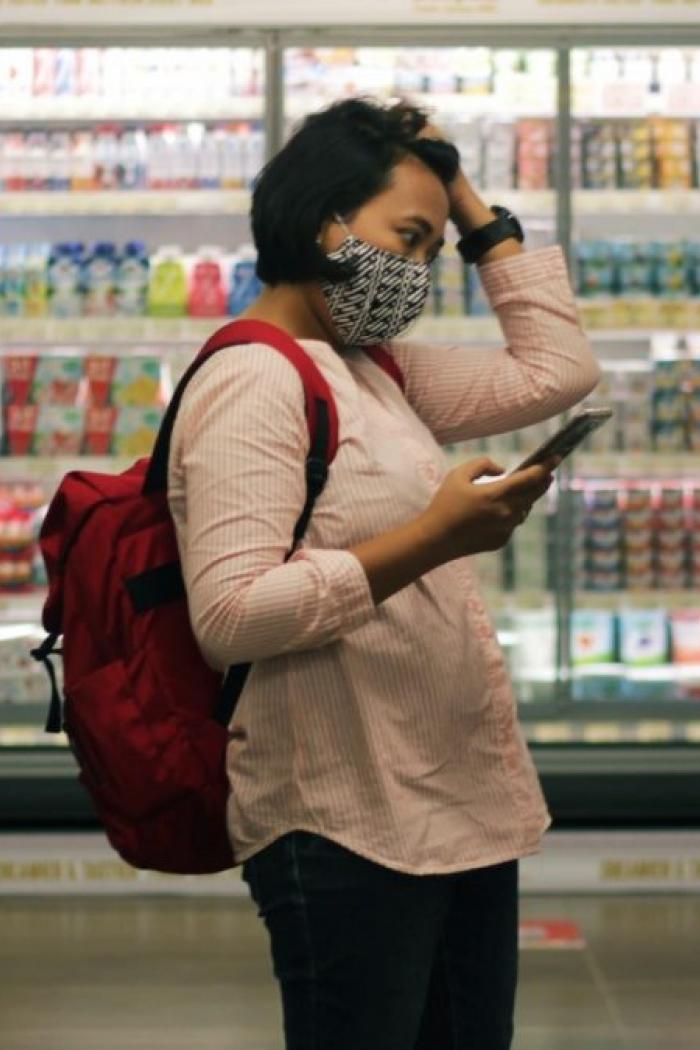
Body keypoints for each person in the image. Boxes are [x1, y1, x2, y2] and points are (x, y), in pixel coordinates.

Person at [168, 99, 601, 1050]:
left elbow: (561, 369)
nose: (416, 273)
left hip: (447, 803)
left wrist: (471, 209)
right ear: (328, 222)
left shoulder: (373, 370)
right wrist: (437, 538)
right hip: (344, 822)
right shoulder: (256, 378)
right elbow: (233, 617)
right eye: (407, 239)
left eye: (433, 252)